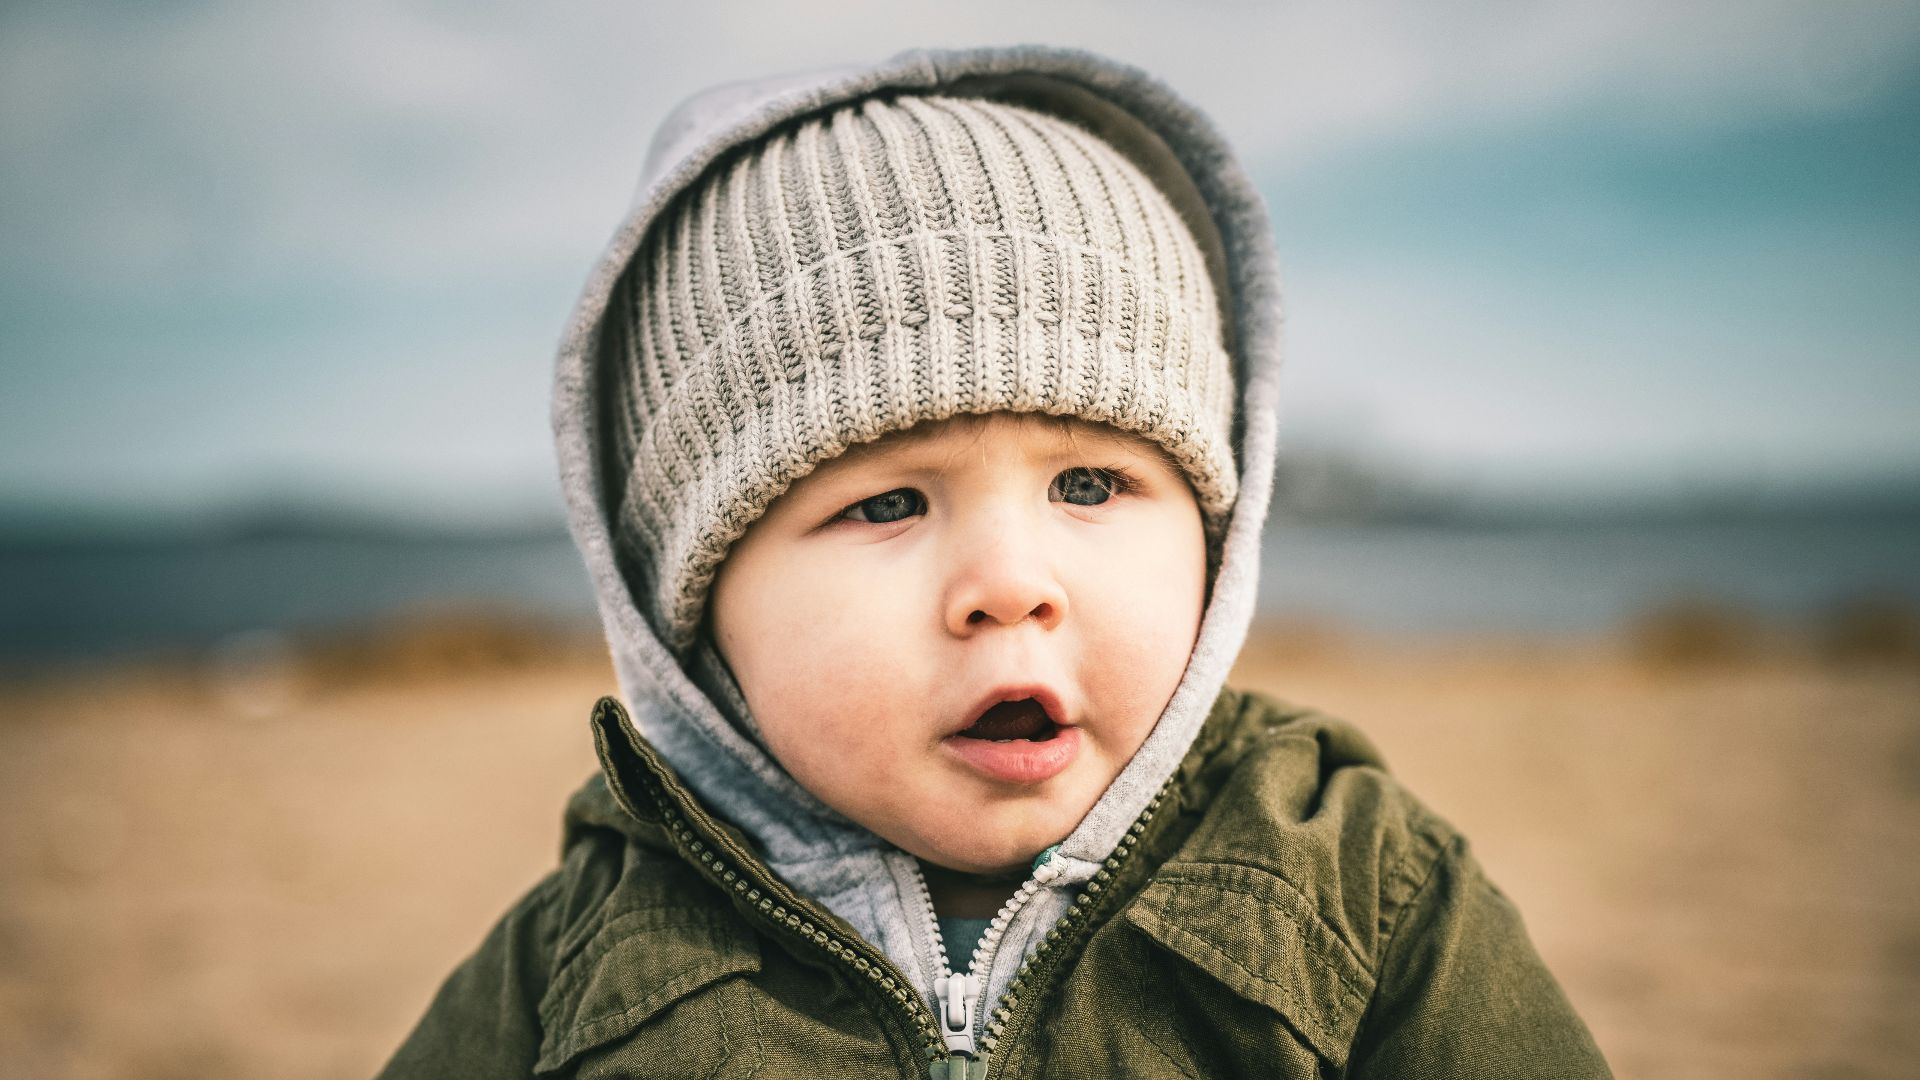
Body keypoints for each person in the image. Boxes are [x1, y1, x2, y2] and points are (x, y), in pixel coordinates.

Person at [377, 44, 1611, 1078]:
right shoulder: (587, 955)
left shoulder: (1356, 886)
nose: (1010, 584)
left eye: (1091, 484)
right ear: (694, 613)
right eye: (887, 505)